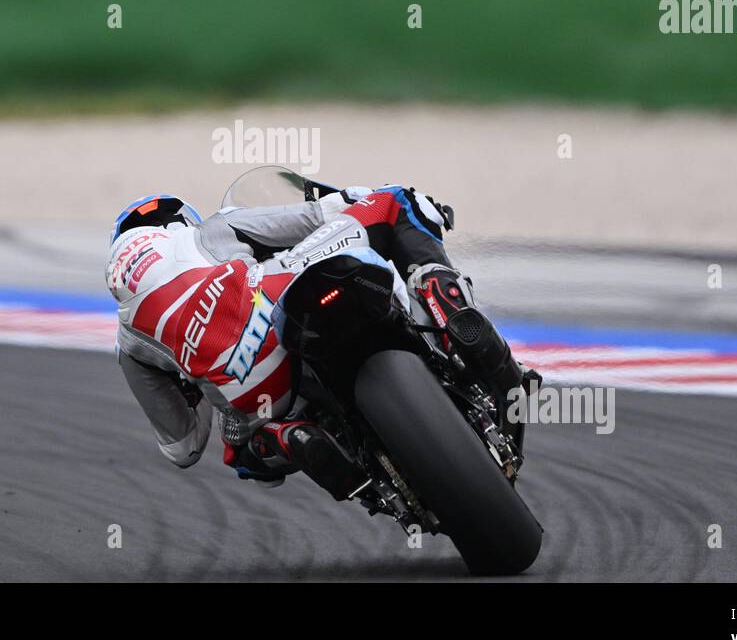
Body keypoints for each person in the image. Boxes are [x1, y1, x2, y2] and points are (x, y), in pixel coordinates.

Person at [105, 185, 527, 501]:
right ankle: (447, 303)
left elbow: (184, 449)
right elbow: (319, 214)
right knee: (396, 202)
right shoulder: (215, 228)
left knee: (244, 454)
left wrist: (189, 383)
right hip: (280, 297)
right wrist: (349, 196)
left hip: (251, 393)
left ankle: (291, 438)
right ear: (179, 224)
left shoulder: (130, 343)